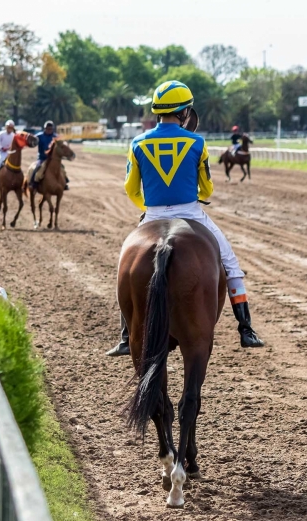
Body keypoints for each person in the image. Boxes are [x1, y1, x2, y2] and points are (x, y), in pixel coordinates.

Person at [106, 80, 264, 356]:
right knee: (231, 265)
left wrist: (149, 207)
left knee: (126, 268)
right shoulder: (197, 142)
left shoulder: (138, 142)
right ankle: (246, 328)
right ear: (184, 112)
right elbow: (207, 188)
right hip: (191, 213)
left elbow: (130, 188)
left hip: (152, 214)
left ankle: (125, 334)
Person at [31, 120, 69, 190]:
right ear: (44, 129)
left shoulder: (56, 137)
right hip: (42, 158)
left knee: (62, 168)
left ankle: (65, 182)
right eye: (47, 129)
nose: (49, 130)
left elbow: (62, 144)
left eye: (50, 129)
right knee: (37, 168)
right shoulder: (39, 136)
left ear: (52, 129)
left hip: (52, 159)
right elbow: (32, 140)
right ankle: (33, 183)